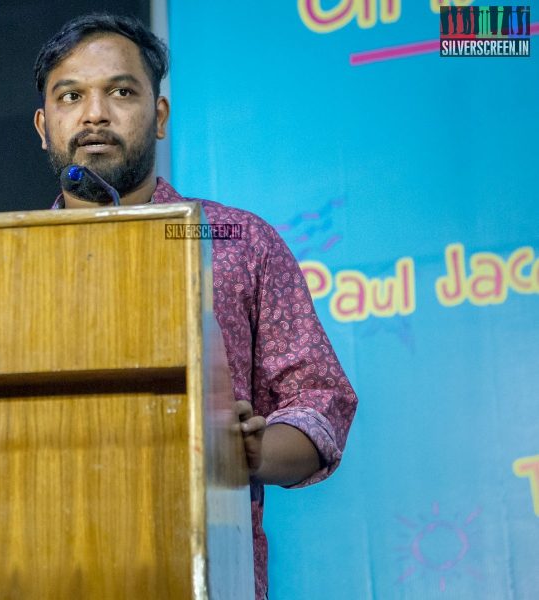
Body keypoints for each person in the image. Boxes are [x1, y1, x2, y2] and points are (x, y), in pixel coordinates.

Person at [32, 13, 358, 600]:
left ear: (158, 117)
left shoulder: (235, 239)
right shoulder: (4, 259)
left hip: (203, 568)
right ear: (44, 124)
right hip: (36, 560)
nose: (95, 113)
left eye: (121, 91)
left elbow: (321, 401)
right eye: (71, 96)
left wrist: (249, 451)